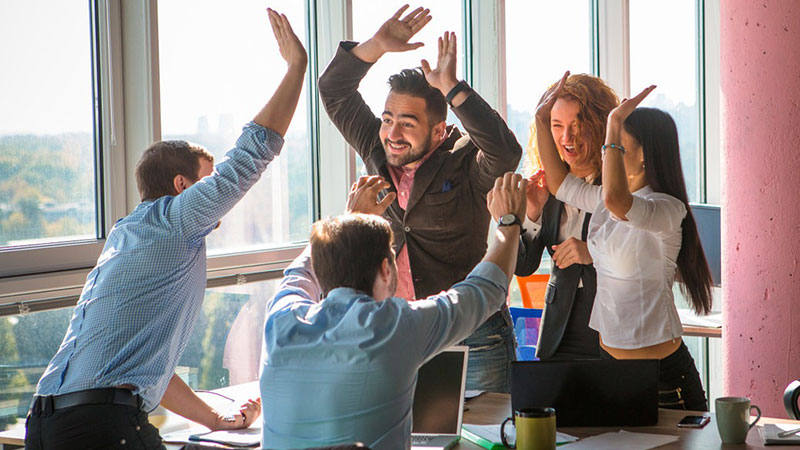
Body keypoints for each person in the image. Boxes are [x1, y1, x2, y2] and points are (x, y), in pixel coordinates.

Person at [25, 10, 307, 449]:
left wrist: (218, 419)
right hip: (102, 424)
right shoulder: (175, 219)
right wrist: (296, 69)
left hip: (48, 424)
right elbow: (250, 156)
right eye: (207, 181)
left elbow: (144, 372)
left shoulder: (125, 236)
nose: (216, 197)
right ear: (182, 187)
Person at [318, 5, 523, 392]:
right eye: (388, 119)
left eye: (407, 124)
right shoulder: (378, 148)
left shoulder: (463, 158)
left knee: (488, 424)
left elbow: (505, 151)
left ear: (439, 130)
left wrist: (452, 88)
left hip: (472, 332)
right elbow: (334, 90)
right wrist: (377, 45)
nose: (392, 133)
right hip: (400, 328)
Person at [259, 172, 527, 449]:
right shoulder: (393, 327)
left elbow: (298, 272)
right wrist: (509, 222)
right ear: (386, 270)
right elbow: (484, 290)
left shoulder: (280, 319)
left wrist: (347, 224)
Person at [536, 72, 713, 411]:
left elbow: (619, 202)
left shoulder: (665, 208)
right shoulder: (605, 201)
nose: (607, 155)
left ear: (645, 155)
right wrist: (541, 120)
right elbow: (559, 184)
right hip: (611, 370)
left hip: (663, 380)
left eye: (616, 147)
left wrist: (615, 121)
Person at [515, 74, 619, 360]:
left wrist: (592, 252)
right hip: (559, 331)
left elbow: (641, 251)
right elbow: (523, 267)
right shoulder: (545, 186)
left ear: (600, 126)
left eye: (577, 126)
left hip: (613, 325)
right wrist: (532, 214)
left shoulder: (619, 186)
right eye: (557, 126)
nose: (566, 138)